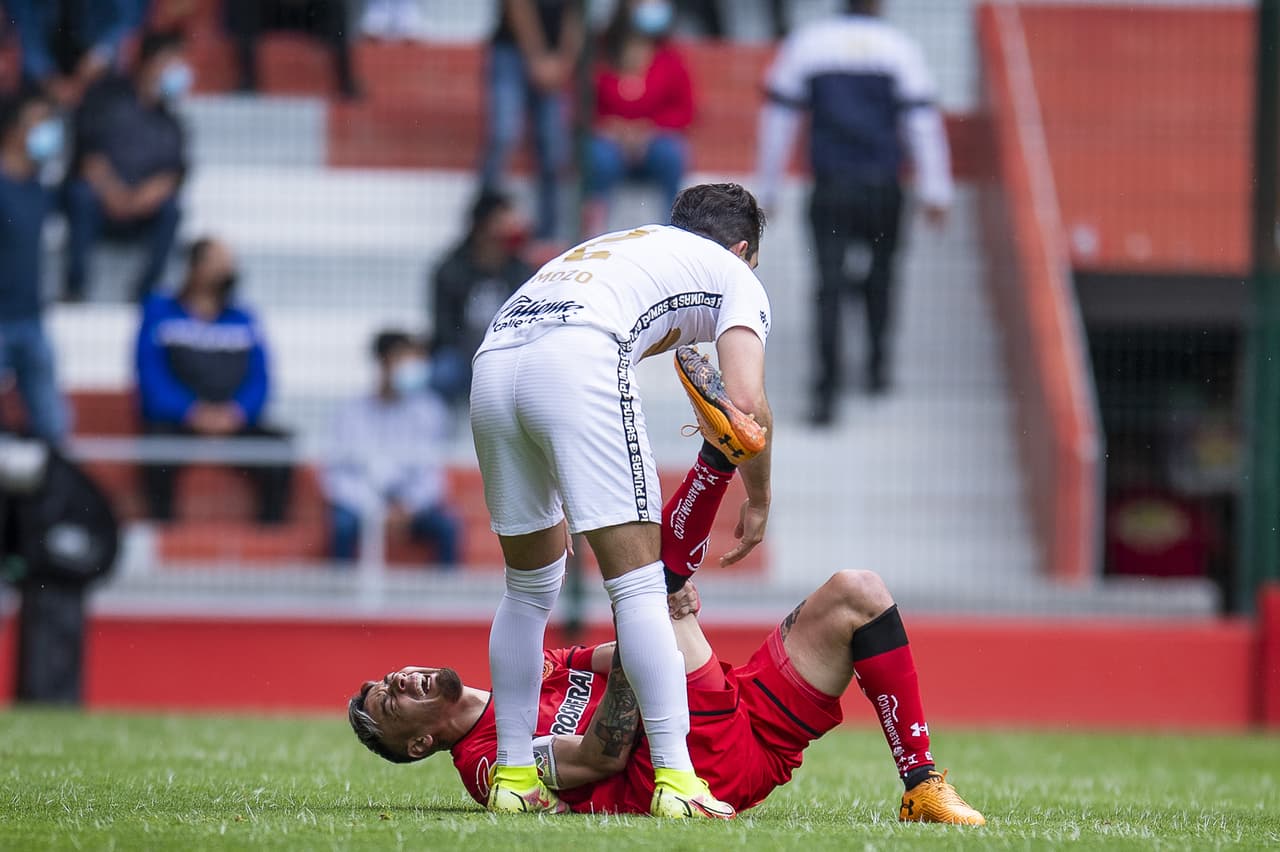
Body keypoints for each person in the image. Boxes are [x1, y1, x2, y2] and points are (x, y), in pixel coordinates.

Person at [347, 388, 985, 825]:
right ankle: (716, 457)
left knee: (858, 592)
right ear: (418, 744)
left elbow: (617, 650)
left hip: (737, 715)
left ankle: (921, 786)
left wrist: (650, 630)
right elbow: (601, 756)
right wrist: (652, 628)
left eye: (388, 677)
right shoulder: (488, 764)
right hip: (691, 760)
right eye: (390, 700)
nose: (398, 678)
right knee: (651, 594)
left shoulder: (534, 669)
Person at [467, 182, 773, 818]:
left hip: (495, 359)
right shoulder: (734, 274)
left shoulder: (626, 244)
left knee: (526, 588)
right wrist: (760, 497)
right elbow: (747, 406)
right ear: (744, 249)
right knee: (636, 587)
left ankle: (515, 775)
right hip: (578, 358)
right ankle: (678, 781)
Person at [755, 0, 952, 422]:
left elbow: (779, 117)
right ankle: (878, 369)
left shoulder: (808, 44)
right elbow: (921, 121)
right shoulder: (899, 47)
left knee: (828, 286)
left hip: (831, 188)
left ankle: (826, 393)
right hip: (883, 187)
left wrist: (769, 187)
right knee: (882, 275)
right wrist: (936, 189)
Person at [134, 237, 293, 524]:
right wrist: (192, 412)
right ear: (195, 267)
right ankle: (164, 531)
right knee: (156, 449)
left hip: (235, 421)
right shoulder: (159, 312)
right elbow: (150, 377)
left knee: (278, 447)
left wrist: (236, 413)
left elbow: (261, 379)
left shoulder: (244, 319)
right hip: (178, 423)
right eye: (220, 263)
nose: (229, 271)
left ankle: (271, 537)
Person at [64, 28, 189, 303]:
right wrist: (114, 194)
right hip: (101, 201)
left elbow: (174, 174)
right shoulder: (106, 97)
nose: (181, 71)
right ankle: (76, 286)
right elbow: (88, 155)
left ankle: (146, 292)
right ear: (150, 62)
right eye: (173, 62)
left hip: (143, 209)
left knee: (172, 209)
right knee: (80, 195)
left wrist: (142, 197)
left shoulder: (172, 122)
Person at [321, 331, 461, 567]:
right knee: (342, 526)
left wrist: (408, 506)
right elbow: (336, 476)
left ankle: (443, 599)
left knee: (448, 527)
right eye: (403, 360)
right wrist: (376, 510)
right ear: (383, 362)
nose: (413, 368)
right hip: (362, 504)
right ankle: (340, 599)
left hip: (411, 506)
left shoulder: (430, 411)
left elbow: (433, 473)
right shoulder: (350, 413)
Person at [584, 0, 694, 236]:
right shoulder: (599, 55)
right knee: (598, 157)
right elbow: (582, 108)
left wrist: (650, 129)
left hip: (652, 142)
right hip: (610, 143)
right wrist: (610, 128)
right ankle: (593, 230)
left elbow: (685, 110)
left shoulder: (669, 59)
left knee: (672, 153)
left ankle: (673, 231)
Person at [479, 0, 583, 240]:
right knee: (504, 135)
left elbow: (576, 15)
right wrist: (537, 58)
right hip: (511, 51)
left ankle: (549, 232)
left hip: (554, 57)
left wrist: (563, 63)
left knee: (554, 146)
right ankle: (482, 222)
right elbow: (518, 6)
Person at [0, 88, 70, 444]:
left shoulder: (40, 189)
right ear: (13, 130)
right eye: (40, 122)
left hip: (31, 319)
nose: (49, 131)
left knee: (54, 429)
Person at [429, 190, 533, 405]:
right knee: (442, 373)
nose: (512, 225)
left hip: (509, 355)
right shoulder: (450, 270)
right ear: (483, 226)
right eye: (504, 219)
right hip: (463, 356)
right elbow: (444, 328)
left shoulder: (521, 270)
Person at [5, 0, 146, 105]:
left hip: (99, 66)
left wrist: (98, 57)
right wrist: (47, 77)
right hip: (41, 77)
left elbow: (128, 19)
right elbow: (22, 27)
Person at [224, 0, 360, 99]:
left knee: (336, 7)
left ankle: (346, 82)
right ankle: (247, 80)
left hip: (309, 12)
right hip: (268, 12)